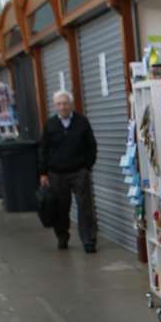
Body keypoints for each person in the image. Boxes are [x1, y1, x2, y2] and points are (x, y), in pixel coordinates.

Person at [38, 89, 98, 252]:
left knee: (85, 207)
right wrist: (43, 173)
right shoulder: (50, 124)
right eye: (59, 104)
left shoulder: (82, 122)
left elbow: (91, 146)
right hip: (57, 174)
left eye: (65, 103)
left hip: (79, 172)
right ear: (55, 106)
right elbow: (43, 150)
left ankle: (89, 240)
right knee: (61, 208)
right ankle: (62, 236)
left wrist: (87, 167)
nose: (62, 107)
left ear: (71, 105)